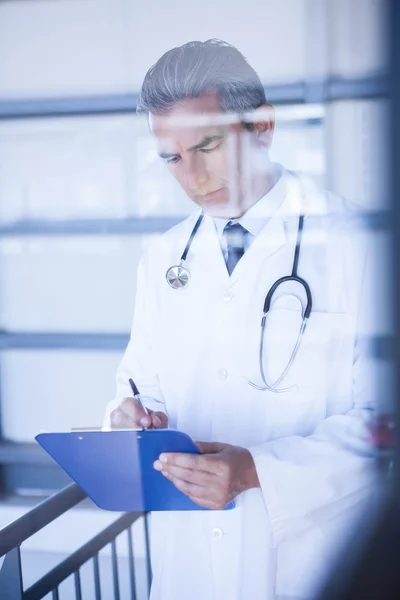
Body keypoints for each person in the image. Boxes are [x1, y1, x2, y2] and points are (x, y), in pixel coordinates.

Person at [104, 39, 376, 600]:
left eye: (207, 147)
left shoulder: (358, 243)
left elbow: (383, 422)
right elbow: (138, 384)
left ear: (263, 127)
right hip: (190, 566)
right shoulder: (164, 260)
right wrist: (131, 418)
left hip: (315, 558)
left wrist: (258, 470)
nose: (193, 177)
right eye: (172, 158)